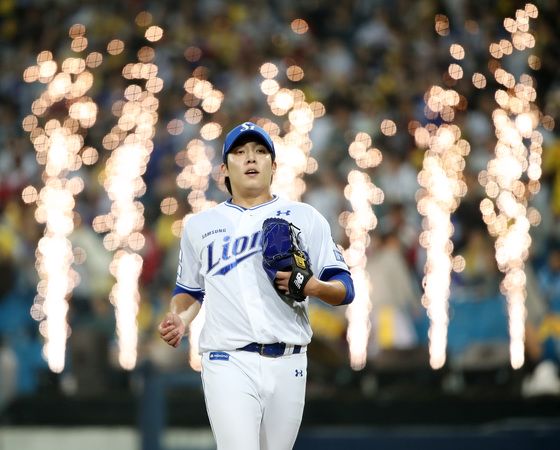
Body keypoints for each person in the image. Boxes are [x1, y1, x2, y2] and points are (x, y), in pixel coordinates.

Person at [158, 121, 354, 450]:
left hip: (290, 359)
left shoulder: (304, 217)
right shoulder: (200, 226)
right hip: (227, 360)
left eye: (261, 152)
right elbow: (190, 290)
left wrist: (312, 286)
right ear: (224, 168)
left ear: (273, 166)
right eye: (241, 152)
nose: (251, 158)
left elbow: (345, 287)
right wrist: (180, 318)